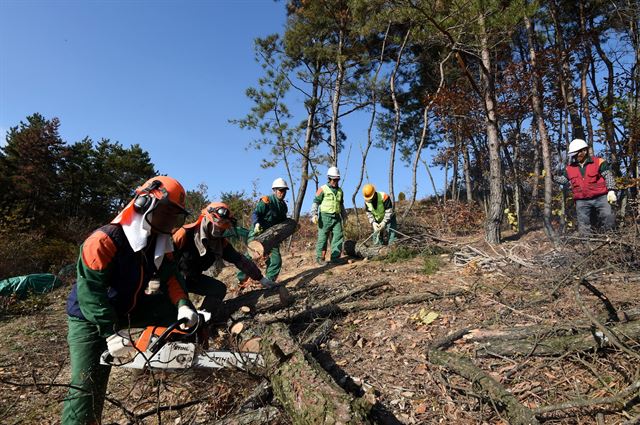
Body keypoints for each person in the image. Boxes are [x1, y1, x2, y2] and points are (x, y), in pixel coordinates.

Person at [62, 176, 198, 424]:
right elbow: (90, 293)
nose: (168, 221)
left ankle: (151, 357)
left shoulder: (160, 241)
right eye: (165, 213)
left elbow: (172, 278)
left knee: (173, 316)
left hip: (129, 307)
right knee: (87, 384)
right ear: (144, 203)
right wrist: (110, 333)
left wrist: (183, 306)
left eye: (174, 216)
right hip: (90, 316)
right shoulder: (104, 240)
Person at [173, 202, 277, 312]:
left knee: (218, 289)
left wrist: (260, 278)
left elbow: (239, 260)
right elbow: (164, 260)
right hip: (173, 280)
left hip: (192, 278)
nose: (219, 230)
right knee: (184, 311)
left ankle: (205, 319)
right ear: (208, 219)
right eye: (218, 226)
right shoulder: (184, 234)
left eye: (223, 226)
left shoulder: (219, 244)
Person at [554, 138, 617, 234]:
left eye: (577, 153)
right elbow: (563, 180)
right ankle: (586, 245)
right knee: (583, 224)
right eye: (574, 154)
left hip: (600, 197)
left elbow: (608, 176)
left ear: (584, 150)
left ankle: (609, 238)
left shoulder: (599, 162)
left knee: (608, 216)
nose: (575, 156)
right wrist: (551, 177)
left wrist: (611, 190)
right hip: (581, 200)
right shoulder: (569, 168)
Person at [237, 178, 289, 283]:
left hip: (271, 235)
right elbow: (256, 213)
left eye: (284, 191)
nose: (282, 193)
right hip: (258, 232)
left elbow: (282, 222)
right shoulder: (266, 201)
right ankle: (241, 280)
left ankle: (270, 280)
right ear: (274, 190)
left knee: (276, 259)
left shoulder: (283, 206)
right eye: (280, 190)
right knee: (251, 255)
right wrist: (256, 224)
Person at [311, 167, 347, 265]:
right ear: (329, 178)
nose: (335, 181)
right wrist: (314, 214)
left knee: (338, 236)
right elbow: (315, 202)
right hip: (324, 217)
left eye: (337, 179)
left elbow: (341, 205)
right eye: (333, 179)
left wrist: (345, 217)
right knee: (323, 238)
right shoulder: (322, 189)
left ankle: (335, 258)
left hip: (336, 217)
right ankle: (320, 258)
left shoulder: (340, 191)